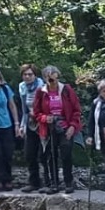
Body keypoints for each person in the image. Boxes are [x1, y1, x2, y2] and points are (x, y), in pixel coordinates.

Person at [31, 65, 81, 193]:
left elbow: (76, 110)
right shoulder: (41, 92)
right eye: (48, 77)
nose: (51, 80)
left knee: (66, 154)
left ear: (58, 76)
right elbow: (36, 113)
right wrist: (45, 118)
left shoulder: (66, 90)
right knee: (51, 155)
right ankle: (54, 183)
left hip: (66, 126)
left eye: (53, 77)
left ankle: (69, 182)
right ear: (45, 78)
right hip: (49, 128)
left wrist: (73, 126)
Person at [16, 63, 45, 192]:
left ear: (35, 75)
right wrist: (22, 125)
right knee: (29, 153)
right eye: (25, 74)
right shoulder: (22, 87)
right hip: (30, 122)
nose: (27, 77)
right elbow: (24, 109)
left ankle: (50, 182)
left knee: (44, 153)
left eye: (30, 74)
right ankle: (34, 182)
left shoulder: (42, 86)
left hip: (43, 122)